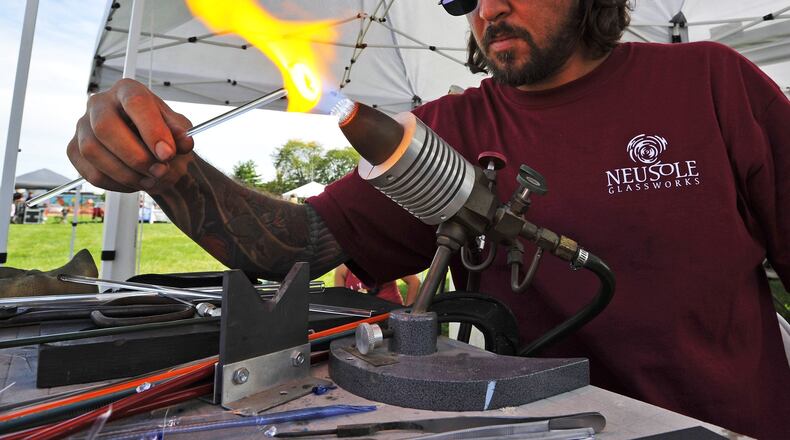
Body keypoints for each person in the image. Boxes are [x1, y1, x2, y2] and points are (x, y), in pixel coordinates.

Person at [65, 1, 788, 437]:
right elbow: (299, 244)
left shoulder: (709, 83)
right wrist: (171, 172)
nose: (489, 10)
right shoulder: (442, 134)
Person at [334, 263, 421, 305]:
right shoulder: (343, 269)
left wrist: (408, 312)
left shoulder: (384, 260)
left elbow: (414, 282)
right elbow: (339, 300)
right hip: (360, 320)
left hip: (389, 315)